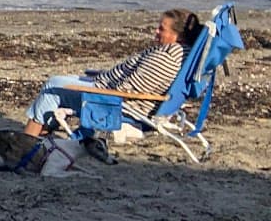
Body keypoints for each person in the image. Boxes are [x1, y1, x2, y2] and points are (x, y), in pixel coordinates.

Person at [22, 8, 202, 138]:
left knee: (53, 87)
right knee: (62, 81)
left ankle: (26, 143)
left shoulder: (165, 58)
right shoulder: (182, 54)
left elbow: (129, 91)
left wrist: (100, 85)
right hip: (110, 88)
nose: (156, 31)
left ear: (179, 36)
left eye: (162, 29)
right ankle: (42, 134)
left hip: (116, 102)